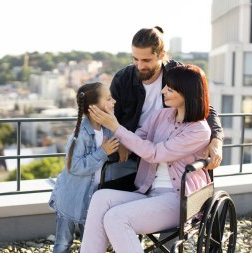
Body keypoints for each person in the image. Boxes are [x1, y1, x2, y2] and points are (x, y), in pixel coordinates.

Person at [80, 64, 212, 253]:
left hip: (179, 200)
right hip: (149, 191)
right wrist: (109, 131)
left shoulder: (199, 130)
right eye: (165, 86)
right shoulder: (161, 115)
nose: (163, 91)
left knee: (117, 218)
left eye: (170, 89)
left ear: (187, 94)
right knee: (101, 197)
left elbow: (155, 153)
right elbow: (139, 138)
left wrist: (117, 127)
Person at [109, 26, 223, 175]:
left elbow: (204, 107)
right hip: (132, 149)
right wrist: (121, 143)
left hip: (168, 152)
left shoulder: (176, 73)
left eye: (146, 60)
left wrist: (217, 140)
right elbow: (110, 116)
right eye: (135, 59)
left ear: (161, 55)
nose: (140, 65)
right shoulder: (123, 78)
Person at [48, 82, 120, 253]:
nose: (114, 101)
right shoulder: (80, 134)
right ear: (94, 108)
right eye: (109, 99)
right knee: (63, 243)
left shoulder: (107, 130)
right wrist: (103, 152)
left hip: (92, 199)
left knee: (91, 242)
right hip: (71, 198)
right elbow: (75, 166)